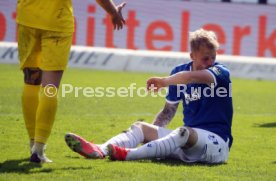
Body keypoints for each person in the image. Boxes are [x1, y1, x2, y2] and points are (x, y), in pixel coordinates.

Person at [65, 28, 233, 164]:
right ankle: (100, 150)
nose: (210, 62)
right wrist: (151, 136)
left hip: (216, 144)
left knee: (183, 132)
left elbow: (192, 77)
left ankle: (127, 155)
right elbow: (168, 111)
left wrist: (163, 81)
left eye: (213, 57)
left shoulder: (220, 72)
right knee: (141, 127)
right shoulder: (178, 73)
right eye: (205, 58)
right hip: (185, 145)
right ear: (192, 56)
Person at [17, 0, 126, 163]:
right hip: (57, 20)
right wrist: (113, 11)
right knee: (50, 87)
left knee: (31, 82)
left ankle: (33, 142)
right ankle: (38, 150)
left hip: (27, 17)